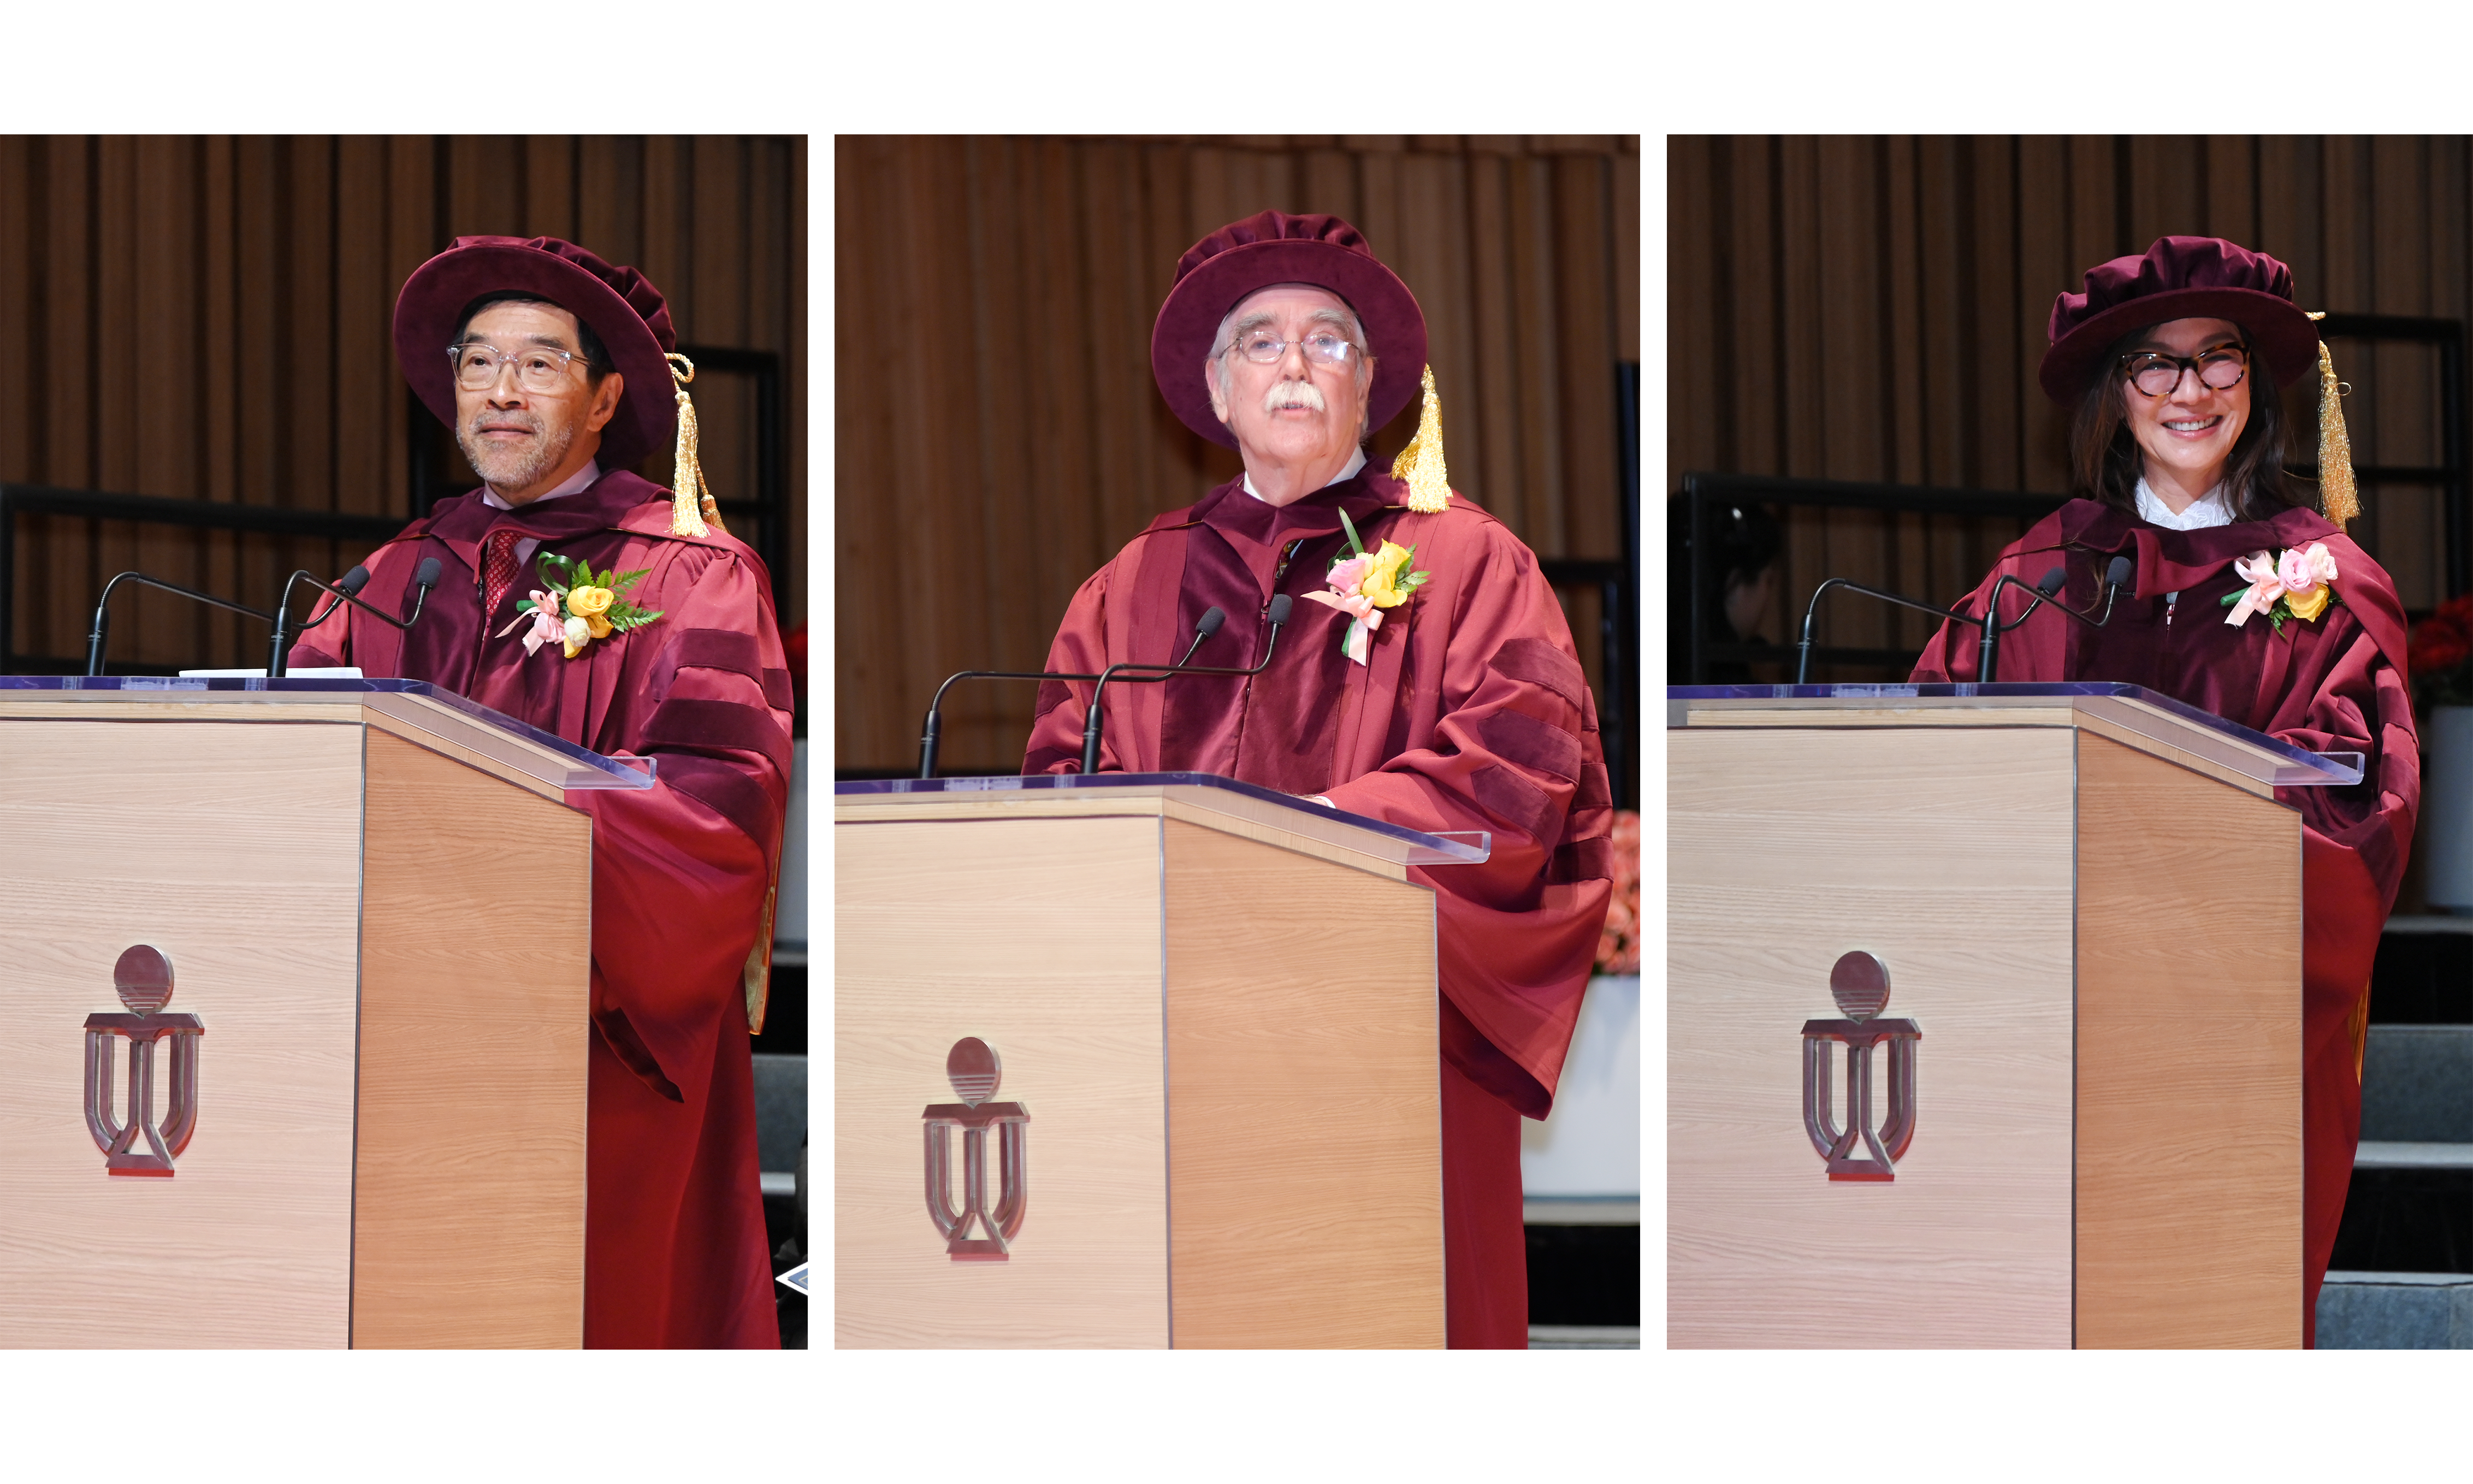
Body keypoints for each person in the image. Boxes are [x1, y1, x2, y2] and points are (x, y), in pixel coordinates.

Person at [1021, 210, 1618, 1349]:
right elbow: (1064, 788)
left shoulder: (1466, 562)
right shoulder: (1129, 584)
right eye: (1259, 340)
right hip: (1174, 1043)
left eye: (1326, 340)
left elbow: (1520, 773)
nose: (1293, 362)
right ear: (1212, 386)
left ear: (1372, 382)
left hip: (1392, 1035)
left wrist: (1309, 830)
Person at [1909, 235, 2419, 1346]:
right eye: (2154, 364)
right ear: (2113, 392)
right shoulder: (2035, 572)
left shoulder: (2322, 581)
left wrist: (2160, 866)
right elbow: (1935, 763)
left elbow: (2356, 801)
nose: (2188, 391)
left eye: (2218, 358)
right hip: (2056, 1027)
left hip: (2234, 1020)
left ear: (2258, 383)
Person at [287, 235, 791, 1349]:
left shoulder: (688, 574)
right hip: (394, 1041)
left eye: (541, 363)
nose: (501, 392)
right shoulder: (389, 577)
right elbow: (295, 783)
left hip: (588, 1045)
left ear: (609, 395)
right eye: (478, 364)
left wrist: (496, 837)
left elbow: (719, 815)